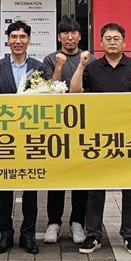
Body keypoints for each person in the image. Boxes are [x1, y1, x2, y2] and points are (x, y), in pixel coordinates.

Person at [70, 22, 131, 255]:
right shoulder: (93, 68)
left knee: (130, 189)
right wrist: (81, 64)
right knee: (96, 188)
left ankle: (129, 235)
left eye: (116, 38)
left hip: (129, 137)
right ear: (100, 42)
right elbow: (75, 92)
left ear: (124, 42)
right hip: (99, 136)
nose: (112, 42)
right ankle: (93, 235)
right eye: (107, 38)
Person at [0, 20, 46, 255]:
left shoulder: (40, 68)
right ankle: (5, 235)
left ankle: (28, 235)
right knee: (5, 188)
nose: (18, 41)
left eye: (22, 37)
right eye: (13, 37)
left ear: (29, 40)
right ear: (7, 40)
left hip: (31, 136)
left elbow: (46, 101)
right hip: (6, 137)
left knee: (30, 188)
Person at [41, 18, 93, 245]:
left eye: (74, 33)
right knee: (57, 176)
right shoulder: (49, 59)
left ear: (80, 36)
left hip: (83, 126)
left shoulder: (90, 59)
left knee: (80, 177)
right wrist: (59, 66)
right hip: (57, 127)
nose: (69, 37)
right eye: (65, 33)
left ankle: (77, 222)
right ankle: (53, 222)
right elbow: (49, 91)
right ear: (59, 37)